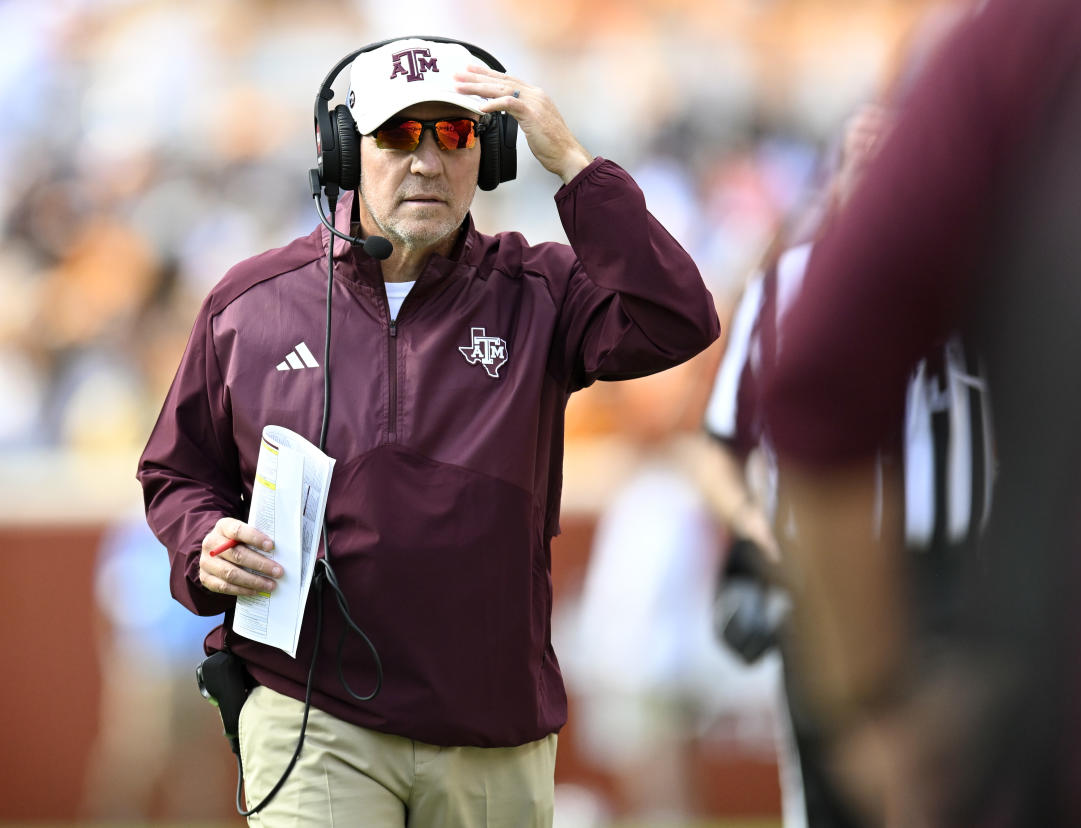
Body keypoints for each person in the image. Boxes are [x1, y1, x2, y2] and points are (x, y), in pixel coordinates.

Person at [137, 36, 719, 827]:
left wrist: (578, 168)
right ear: (344, 152)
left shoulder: (541, 289)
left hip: (488, 726)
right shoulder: (250, 303)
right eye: (398, 135)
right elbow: (178, 472)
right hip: (311, 708)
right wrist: (206, 539)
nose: (427, 161)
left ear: (491, 152)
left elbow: (678, 317)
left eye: (454, 134)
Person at [760, 0, 1081, 825]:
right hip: (1031, 643)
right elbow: (802, 383)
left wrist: (870, 712)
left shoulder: (1048, 38)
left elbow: (814, 380)